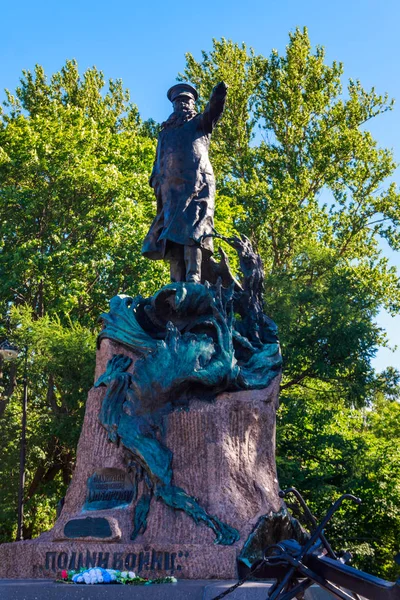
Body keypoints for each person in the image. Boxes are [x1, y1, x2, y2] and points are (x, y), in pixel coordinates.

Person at [141, 81, 228, 283]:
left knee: (193, 231)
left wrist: (219, 95)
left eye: (186, 100)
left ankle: (193, 276)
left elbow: (213, 111)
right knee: (171, 235)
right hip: (171, 190)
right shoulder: (165, 132)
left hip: (198, 185)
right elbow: (159, 160)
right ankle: (176, 280)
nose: (182, 105)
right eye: (178, 101)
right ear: (173, 105)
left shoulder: (200, 123)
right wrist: (156, 180)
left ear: (193, 103)